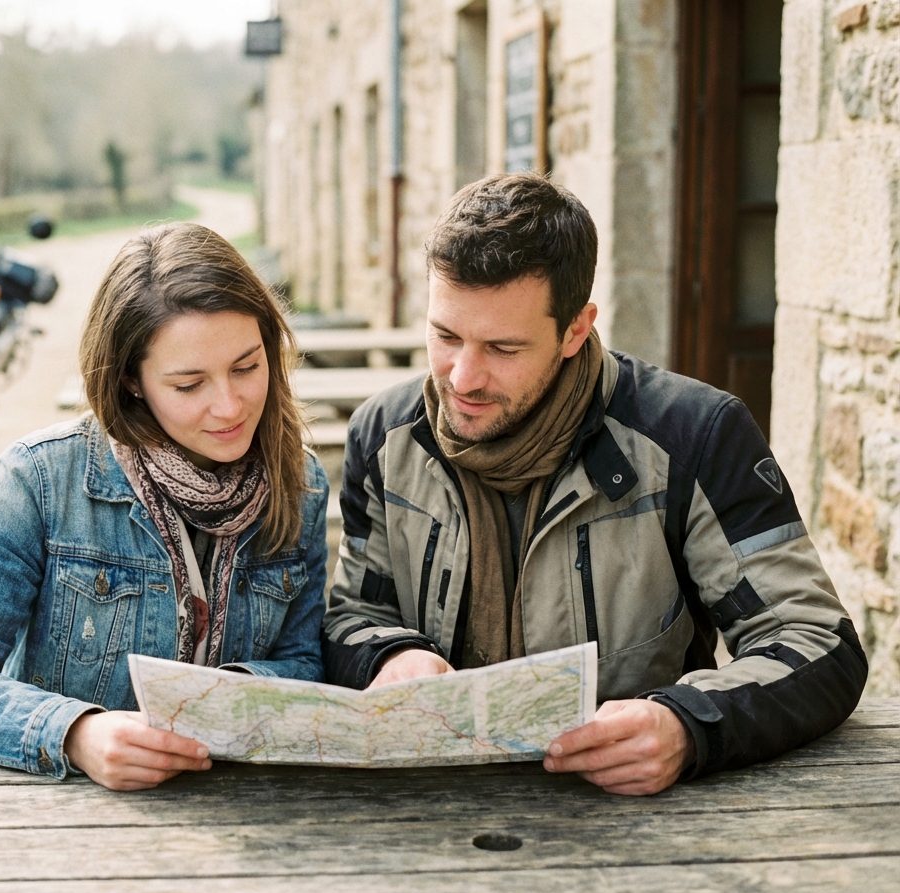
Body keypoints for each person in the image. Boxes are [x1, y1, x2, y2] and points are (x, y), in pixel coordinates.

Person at [322, 172, 867, 795]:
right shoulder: (383, 435)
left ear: (575, 330)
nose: (463, 377)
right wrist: (389, 656)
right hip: (428, 810)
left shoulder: (697, 435)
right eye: (445, 336)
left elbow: (816, 641)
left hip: (632, 821)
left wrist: (687, 725)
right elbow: (355, 612)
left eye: (502, 348)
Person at [0, 222, 329, 791]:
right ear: (131, 381)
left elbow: (304, 659)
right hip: (66, 821)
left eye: (246, 368)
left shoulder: (303, 486)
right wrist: (76, 734)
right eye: (188, 384)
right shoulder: (40, 479)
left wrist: (225, 700)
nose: (230, 405)